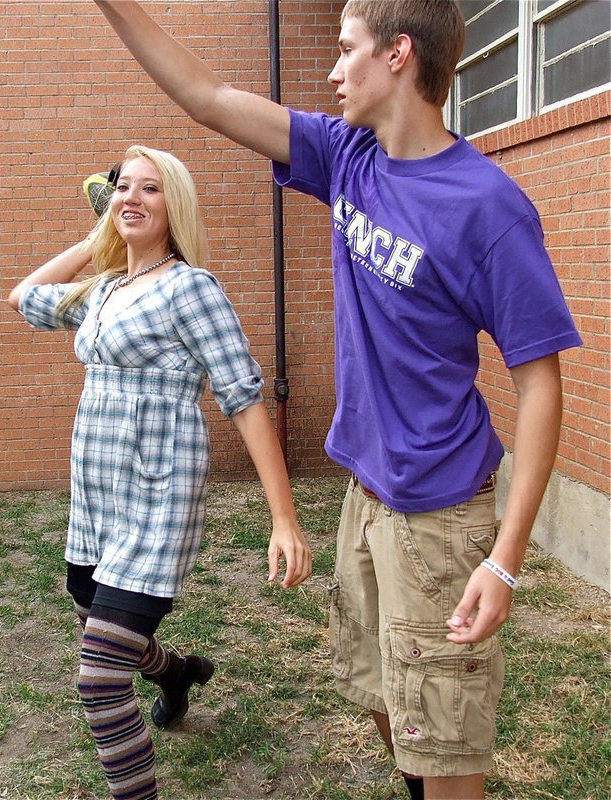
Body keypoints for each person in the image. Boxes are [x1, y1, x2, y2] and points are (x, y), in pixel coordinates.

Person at [90, 2, 583, 799]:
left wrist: (504, 559)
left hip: (440, 511)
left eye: (346, 49)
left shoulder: (487, 208)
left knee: (442, 741)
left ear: (397, 54)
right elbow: (207, 98)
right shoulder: (347, 155)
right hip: (367, 494)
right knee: (384, 695)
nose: (330, 70)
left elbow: (539, 385)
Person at [8, 144, 312, 800]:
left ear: (176, 207)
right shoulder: (103, 291)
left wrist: (283, 518)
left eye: (151, 189)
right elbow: (23, 297)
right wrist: (101, 239)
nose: (132, 197)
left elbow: (242, 397)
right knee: (95, 621)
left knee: (99, 680)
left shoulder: (190, 288)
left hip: (157, 498)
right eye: (123, 187)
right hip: (96, 497)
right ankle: (176, 672)